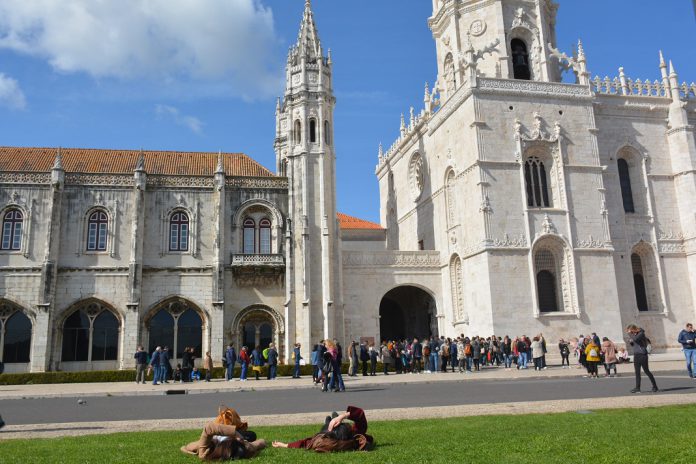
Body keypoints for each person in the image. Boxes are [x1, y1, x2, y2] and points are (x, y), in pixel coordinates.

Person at [272, 406, 374, 453]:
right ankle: (333, 418)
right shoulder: (354, 437)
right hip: (335, 432)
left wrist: (285, 445)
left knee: (329, 421)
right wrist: (342, 417)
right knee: (332, 419)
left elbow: (306, 442)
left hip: (330, 432)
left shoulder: (323, 441)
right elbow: (360, 415)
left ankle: (331, 419)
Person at [181, 408, 266, 460]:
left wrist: (236, 435)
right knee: (252, 435)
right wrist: (245, 442)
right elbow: (262, 442)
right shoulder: (242, 448)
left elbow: (209, 427)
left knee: (250, 435)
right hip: (236, 434)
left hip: (226, 432)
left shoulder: (206, 449)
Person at [626, 324, 659, 393]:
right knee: (637, 372)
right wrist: (631, 342)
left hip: (642, 355)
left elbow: (636, 339)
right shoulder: (634, 335)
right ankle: (637, 388)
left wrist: (630, 334)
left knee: (646, 371)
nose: (630, 332)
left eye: (630, 331)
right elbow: (634, 343)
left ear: (633, 329)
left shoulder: (641, 333)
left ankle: (655, 386)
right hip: (636, 355)